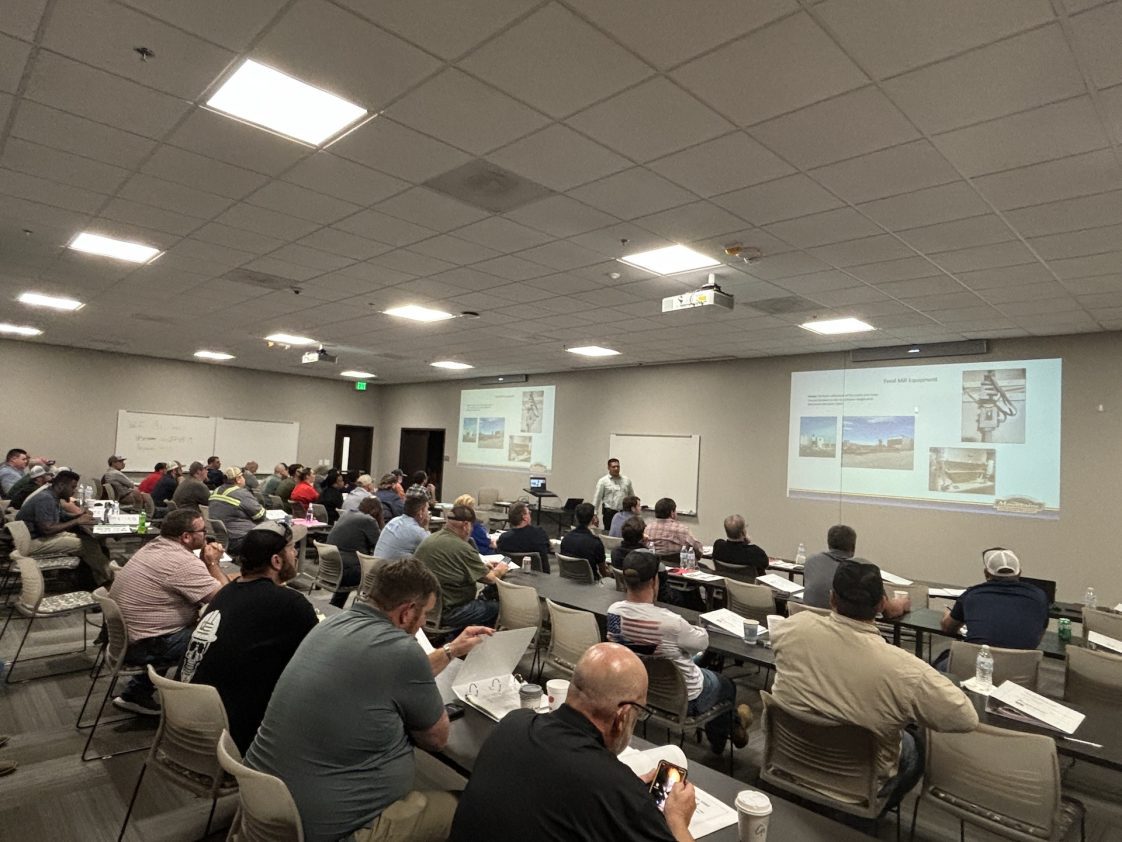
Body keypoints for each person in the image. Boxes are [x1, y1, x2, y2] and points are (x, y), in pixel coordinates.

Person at [245, 557, 493, 842]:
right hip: (329, 828)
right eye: (425, 613)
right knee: (470, 805)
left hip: (266, 804)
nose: (425, 621)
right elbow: (436, 739)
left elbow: (393, 672)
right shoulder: (402, 651)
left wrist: (451, 649)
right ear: (406, 612)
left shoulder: (332, 625)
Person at [770, 560, 978, 812]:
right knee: (915, 745)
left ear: (832, 599)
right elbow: (965, 718)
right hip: (857, 789)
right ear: (881, 604)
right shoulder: (906, 670)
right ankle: (869, 815)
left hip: (789, 760)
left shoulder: (792, 628)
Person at [449, 643, 697, 842]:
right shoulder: (614, 788)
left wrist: (625, 792)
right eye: (639, 711)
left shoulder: (514, 722)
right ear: (622, 716)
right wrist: (677, 820)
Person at [179, 521, 317, 753]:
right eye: (292, 548)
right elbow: (318, 659)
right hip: (234, 740)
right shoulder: (290, 604)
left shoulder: (226, 593)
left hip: (190, 725)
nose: (295, 554)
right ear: (276, 561)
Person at [608, 552, 749, 754]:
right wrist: (697, 627)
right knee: (727, 685)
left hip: (643, 688)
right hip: (686, 698)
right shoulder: (670, 623)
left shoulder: (614, 612)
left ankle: (733, 723)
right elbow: (702, 642)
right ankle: (723, 737)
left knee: (691, 662)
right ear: (655, 581)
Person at [109, 509, 230, 715]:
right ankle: (189, 706)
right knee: (222, 635)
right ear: (186, 536)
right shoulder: (181, 563)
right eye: (203, 530)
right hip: (147, 644)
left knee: (191, 623)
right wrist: (212, 563)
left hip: (127, 639)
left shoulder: (154, 546)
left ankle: (137, 692)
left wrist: (202, 562)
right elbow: (226, 598)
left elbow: (186, 582)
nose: (207, 534)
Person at [414, 503, 504, 631]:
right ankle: (476, 645)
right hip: (449, 611)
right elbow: (490, 579)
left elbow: (452, 563)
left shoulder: (431, 539)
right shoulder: (463, 548)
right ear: (466, 526)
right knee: (496, 608)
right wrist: (501, 568)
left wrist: (480, 566)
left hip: (425, 608)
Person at [939, 548, 1049, 651]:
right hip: (1022, 668)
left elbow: (948, 628)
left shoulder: (972, 595)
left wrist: (947, 614)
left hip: (975, 666)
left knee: (936, 665)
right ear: (1019, 572)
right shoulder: (1039, 597)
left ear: (986, 573)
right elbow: (1038, 637)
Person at [16, 470, 113, 586]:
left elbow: (61, 515)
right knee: (87, 545)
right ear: (61, 485)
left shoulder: (51, 495)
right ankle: (113, 578)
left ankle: (101, 580)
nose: (74, 491)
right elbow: (47, 529)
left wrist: (79, 515)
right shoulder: (45, 499)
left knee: (90, 540)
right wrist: (77, 521)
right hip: (31, 542)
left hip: (36, 536)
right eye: (72, 487)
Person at [802, 525, 909, 618]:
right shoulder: (863, 571)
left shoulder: (811, 561)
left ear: (829, 544)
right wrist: (902, 602)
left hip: (810, 627)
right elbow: (889, 611)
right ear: (853, 547)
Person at [325, 497, 384, 608]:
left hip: (332, 567)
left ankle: (335, 607)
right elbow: (379, 544)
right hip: (348, 572)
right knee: (381, 576)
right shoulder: (368, 520)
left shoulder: (347, 513)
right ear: (376, 511)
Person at [208, 466, 266, 552]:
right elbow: (260, 515)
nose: (243, 478)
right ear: (238, 479)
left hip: (222, 539)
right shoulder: (241, 493)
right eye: (242, 476)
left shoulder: (216, 491)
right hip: (241, 539)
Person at [495, 500, 552, 573]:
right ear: (525, 517)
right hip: (539, 578)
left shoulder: (504, 538)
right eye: (529, 513)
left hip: (512, 578)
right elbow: (548, 549)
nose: (530, 515)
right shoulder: (539, 533)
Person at [559, 501, 608, 580]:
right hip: (591, 584)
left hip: (568, 581)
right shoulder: (596, 542)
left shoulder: (566, 539)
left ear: (576, 518)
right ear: (593, 519)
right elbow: (603, 572)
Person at [592, 457, 635, 529]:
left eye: (618, 466)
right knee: (609, 533)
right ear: (608, 468)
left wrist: (634, 511)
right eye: (613, 467)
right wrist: (594, 514)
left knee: (624, 532)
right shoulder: (603, 481)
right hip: (609, 513)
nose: (616, 469)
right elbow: (597, 498)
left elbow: (632, 497)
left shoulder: (626, 480)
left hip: (623, 512)